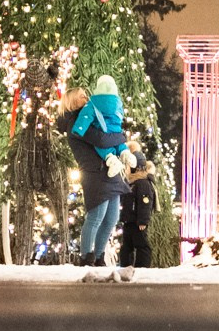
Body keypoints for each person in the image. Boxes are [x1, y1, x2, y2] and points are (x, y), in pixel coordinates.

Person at [58, 75, 129, 266]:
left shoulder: (94, 117)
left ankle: (99, 257)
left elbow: (107, 136)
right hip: (95, 173)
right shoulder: (76, 123)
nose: (87, 98)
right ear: (72, 102)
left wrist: (119, 137)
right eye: (82, 96)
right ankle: (86, 257)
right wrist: (121, 136)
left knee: (112, 218)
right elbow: (102, 140)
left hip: (108, 172)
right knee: (96, 216)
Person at [117, 137, 157, 271]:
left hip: (137, 222)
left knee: (141, 245)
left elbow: (145, 203)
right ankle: (126, 267)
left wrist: (143, 221)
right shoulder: (131, 183)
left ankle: (142, 268)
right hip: (129, 220)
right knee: (126, 246)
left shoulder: (142, 183)